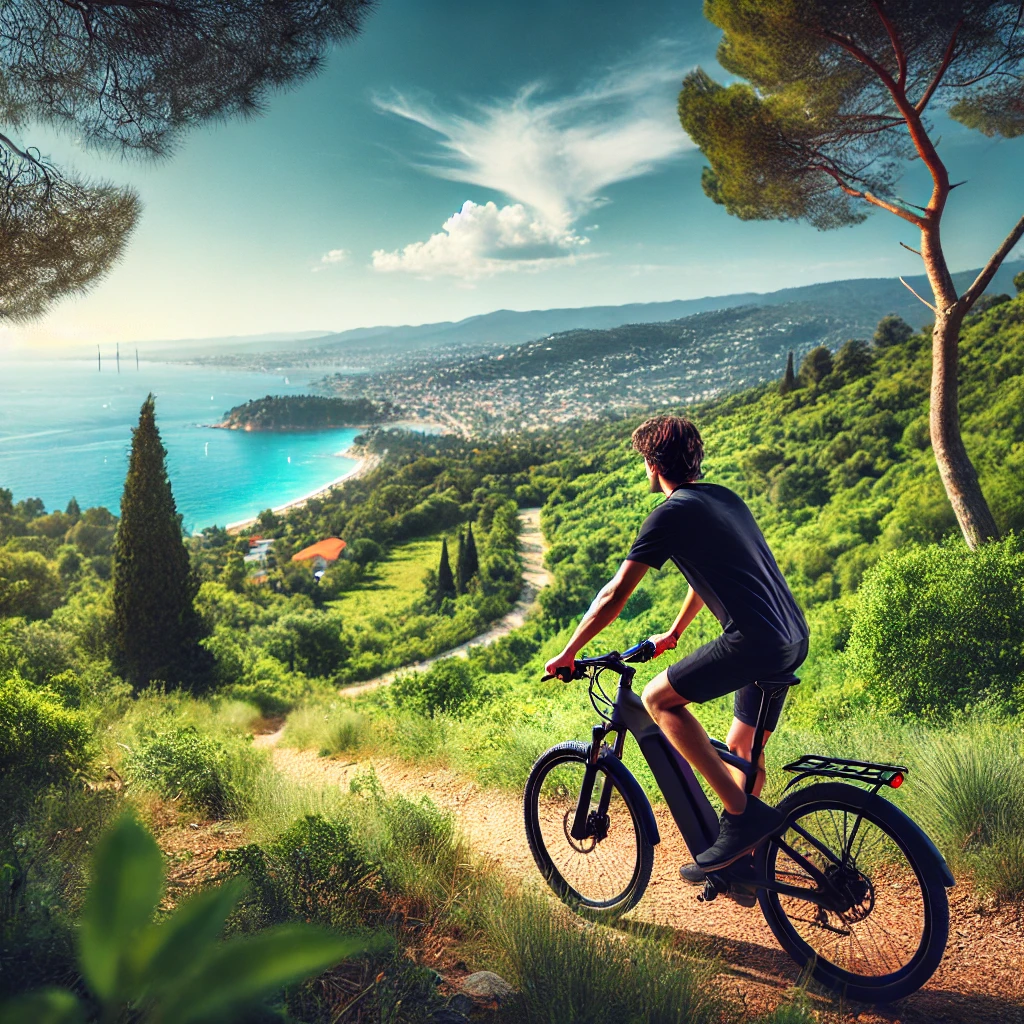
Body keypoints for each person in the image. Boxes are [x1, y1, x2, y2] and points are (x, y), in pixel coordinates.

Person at [544, 415, 808, 881]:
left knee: (657, 699)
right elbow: (709, 572)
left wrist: (568, 652)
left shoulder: (669, 513)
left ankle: (742, 818)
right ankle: (744, 861)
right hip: (791, 636)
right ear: (695, 456)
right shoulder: (723, 498)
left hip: (755, 641)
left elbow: (614, 595)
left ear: (652, 463)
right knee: (742, 751)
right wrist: (675, 630)